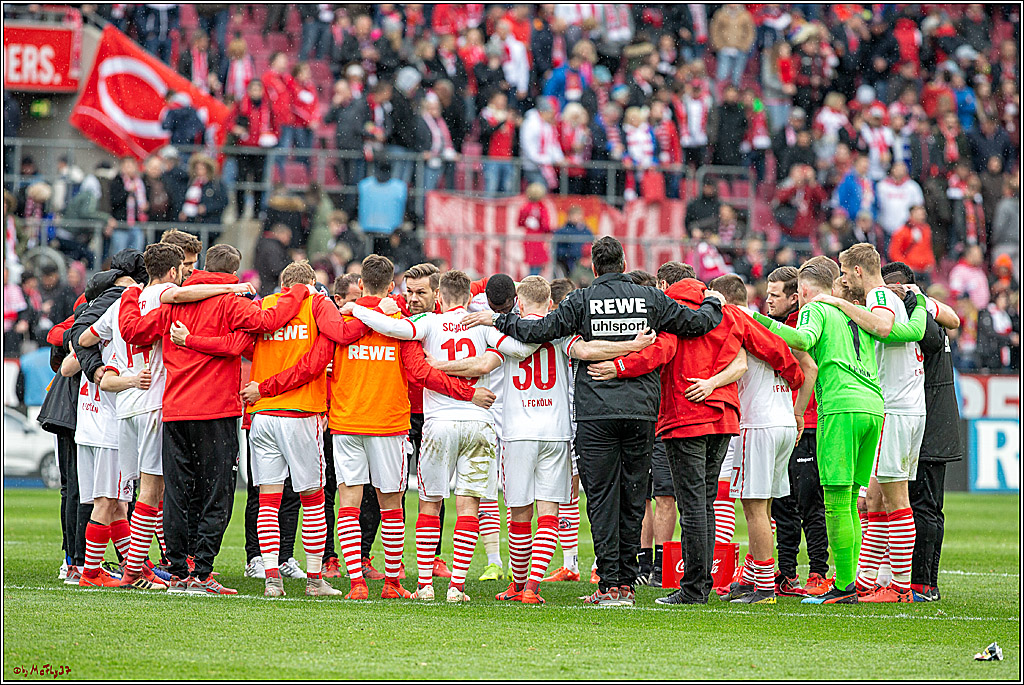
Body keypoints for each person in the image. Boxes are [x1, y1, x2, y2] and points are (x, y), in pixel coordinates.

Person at [464, 237, 726, 606]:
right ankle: (627, 584)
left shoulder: (582, 300)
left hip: (596, 411)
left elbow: (540, 332)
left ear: (592, 265)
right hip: (640, 409)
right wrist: (714, 299)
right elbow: (698, 323)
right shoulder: (649, 298)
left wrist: (499, 319)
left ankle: (608, 584)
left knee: (602, 498)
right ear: (623, 262)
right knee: (634, 497)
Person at [117, 244, 314, 594]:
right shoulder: (230, 301)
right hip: (216, 411)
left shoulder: (177, 302)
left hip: (175, 411)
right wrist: (298, 290)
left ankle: (177, 570)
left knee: (177, 494)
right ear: (234, 274)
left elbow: (133, 331)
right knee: (216, 495)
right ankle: (203, 572)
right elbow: (268, 321)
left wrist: (131, 294)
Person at [344, 270, 534, 602]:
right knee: (468, 506)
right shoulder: (484, 325)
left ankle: (425, 586)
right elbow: (520, 350)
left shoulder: (430, 324)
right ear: (467, 298)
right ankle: (457, 587)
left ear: (440, 298)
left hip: (438, 425)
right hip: (479, 423)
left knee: (430, 503)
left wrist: (357, 309)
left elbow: (393, 328)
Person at [751, 256, 883, 604]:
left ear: (805, 288)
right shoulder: (853, 312)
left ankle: (842, 587)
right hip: (873, 405)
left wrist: (758, 320)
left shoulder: (816, 308)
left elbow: (803, 339)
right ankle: (848, 581)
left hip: (841, 407)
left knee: (836, 503)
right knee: (851, 502)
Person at [708, 274, 814, 604]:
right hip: (781, 418)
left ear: (723, 299)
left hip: (758, 423)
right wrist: (797, 412)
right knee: (764, 506)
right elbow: (808, 366)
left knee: (754, 508)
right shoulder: (771, 325)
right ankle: (753, 577)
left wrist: (710, 382)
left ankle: (764, 587)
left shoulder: (734, 323)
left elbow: (739, 365)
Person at [881, 261, 961, 602]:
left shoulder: (919, 315)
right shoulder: (927, 311)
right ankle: (911, 580)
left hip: (931, 425)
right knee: (917, 504)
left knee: (925, 506)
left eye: (890, 288)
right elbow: (952, 320)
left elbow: (928, 340)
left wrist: (916, 302)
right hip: (930, 421)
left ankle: (924, 584)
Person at [762, 266, 831, 597]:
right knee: (783, 503)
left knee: (809, 503)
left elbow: (811, 369)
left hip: (808, 423)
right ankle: (786, 573)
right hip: (784, 422)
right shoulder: (782, 326)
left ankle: (819, 572)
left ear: (795, 296)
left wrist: (800, 411)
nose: (768, 300)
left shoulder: (806, 324)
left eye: (775, 295)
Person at [888, 205, 937, 284]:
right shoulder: (902, 232)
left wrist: (930, 262)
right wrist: (907, 267)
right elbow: (894, 253)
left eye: (923, 214)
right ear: (911, 214)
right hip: (911, 271)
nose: (922, 216)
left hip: (924, 270)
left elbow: (928, 248)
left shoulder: (926, 230)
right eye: (919, 213)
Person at [519, 183, 552, 277]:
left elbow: (520, 222)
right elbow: (545, 225)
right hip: (539, 239)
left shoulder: (525, 207)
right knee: (537, 267)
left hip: (528, 238)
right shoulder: (542, 207)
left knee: (532, 266)